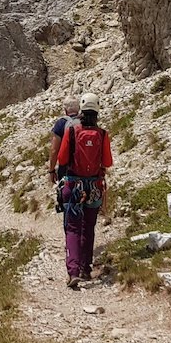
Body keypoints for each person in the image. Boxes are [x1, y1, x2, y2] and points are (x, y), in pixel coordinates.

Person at [54, 94, 113, 290]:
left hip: (73, 185)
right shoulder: (102, 134)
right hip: (94, 187)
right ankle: (86, 268)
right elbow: (107, 162)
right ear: (97, 111)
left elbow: (62, 159)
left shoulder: (71, 131)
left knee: (73, 227)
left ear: (80, 110)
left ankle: (72, 271)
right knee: (89, 227)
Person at [47, 96, 80, 186]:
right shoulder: (85, 122)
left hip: (66, 168)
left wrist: (51, 170)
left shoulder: (61, 123)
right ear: (79, 108)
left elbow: (54, 150)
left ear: (65, 110)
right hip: (85, 167)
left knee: (66, 195)